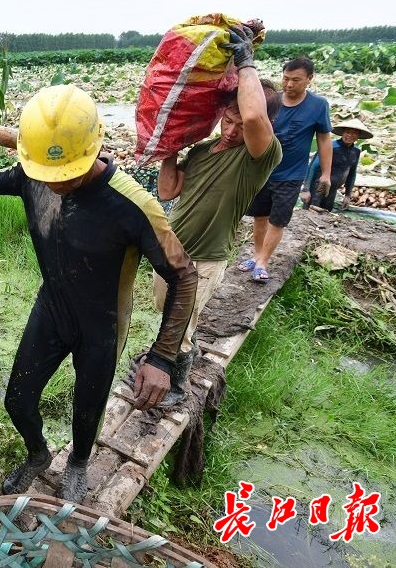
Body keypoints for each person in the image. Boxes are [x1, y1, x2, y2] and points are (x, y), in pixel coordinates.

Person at [0, 84, 197, 504]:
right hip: (53, 308)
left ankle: (79, 463)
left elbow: (184, 275)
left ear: (92, 149)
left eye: (67, 175)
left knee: (87, 407)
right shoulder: (34, 174)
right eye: (48, 176)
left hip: (102, 322)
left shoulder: (133, 205)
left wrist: (161, 357)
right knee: (17, 400)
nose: (57, 184)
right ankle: (38, 453)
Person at [155, 24, 282, 404]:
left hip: (206, 258)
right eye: (229, 120)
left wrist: (245, 61)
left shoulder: (258, 157)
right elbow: (167, 191)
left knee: (184, 323)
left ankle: (176, 382)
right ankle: (164, 357)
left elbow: (256, 118)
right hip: (172, 248)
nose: (232, 131)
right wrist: (170, 147)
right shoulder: (201, 152)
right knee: (166, 310)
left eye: (242, 126)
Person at [241, 56, 331, 283]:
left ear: (309, 79)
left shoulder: (318, 106)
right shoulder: (271, 100)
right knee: (260, 216)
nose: (289, 85)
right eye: (286, 79)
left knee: (278, 219)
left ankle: (263, 262)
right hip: (263, 171)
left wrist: (326, 174)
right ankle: (256, 255)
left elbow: (323, 139)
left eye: (296, 80)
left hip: (291, 174)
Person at [301, 118, 373, 212]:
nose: (350, 136)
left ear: (358, 136)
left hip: (333, 189)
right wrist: (306, 190)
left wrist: (347, 195)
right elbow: (313, 166)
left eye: (354, 133)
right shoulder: (331, 146)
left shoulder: (356, 151)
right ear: (343, 132)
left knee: (326, 214)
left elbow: (352, 173)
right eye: (348, 132)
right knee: (310, 212)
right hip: (318, 186)